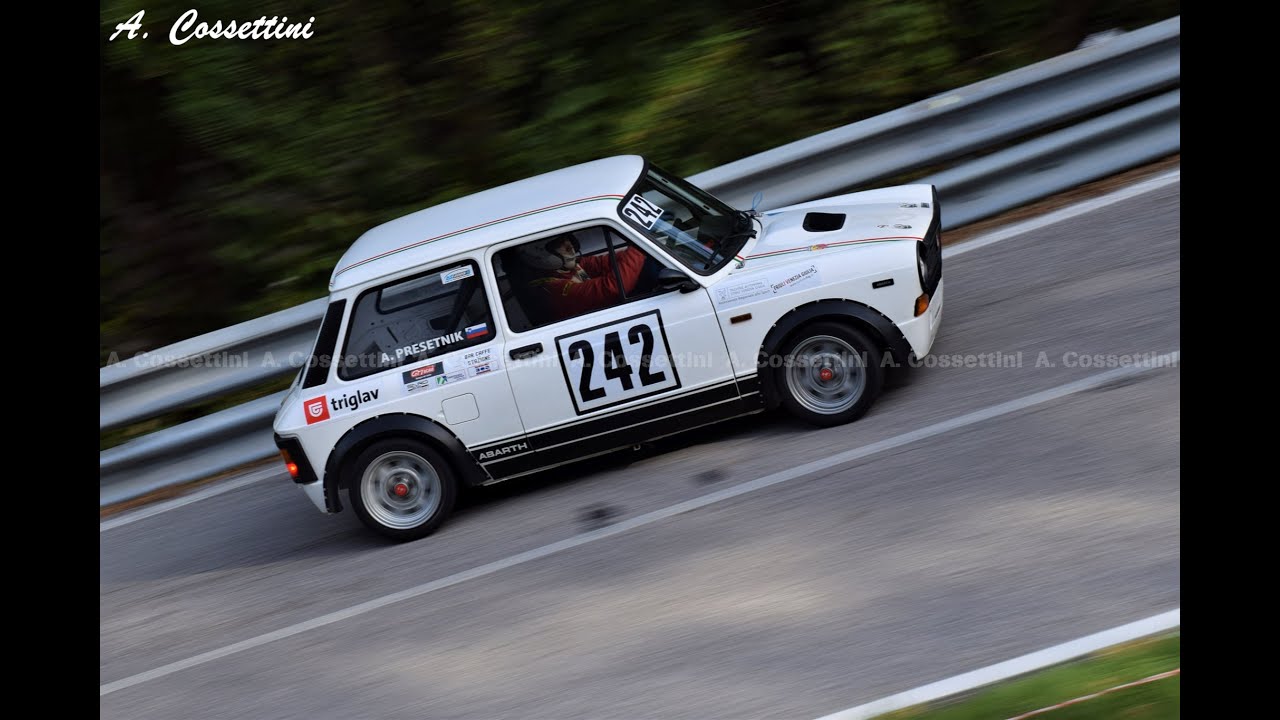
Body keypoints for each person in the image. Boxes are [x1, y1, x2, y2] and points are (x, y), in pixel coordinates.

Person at [515, 233, 650, 321]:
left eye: (568, 239)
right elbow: (613, 288)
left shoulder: (570, 268)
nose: (570, 247)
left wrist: (648, 246)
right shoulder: (551, 290)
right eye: (559, 243)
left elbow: (617, 260)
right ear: (538, 252)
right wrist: (639, 245)